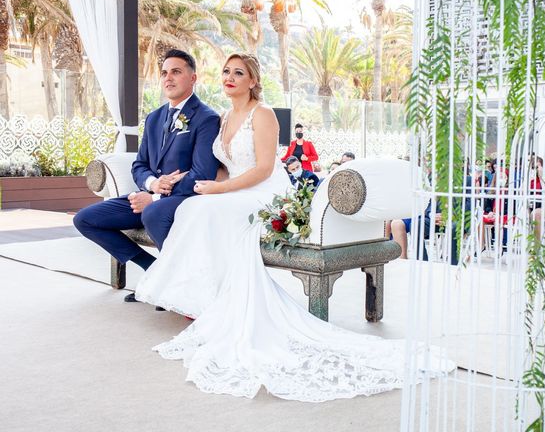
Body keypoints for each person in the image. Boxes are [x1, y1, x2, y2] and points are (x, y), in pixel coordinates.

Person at [134, 52, 453, 401]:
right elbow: (224, 166)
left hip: (263, 192)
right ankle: (205, 296)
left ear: (253, 81)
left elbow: (263, 168)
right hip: (232, 189)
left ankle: (209, 297)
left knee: (201, 211)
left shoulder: (264, 115)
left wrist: (219, 190)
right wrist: (209, 186)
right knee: (194, 208)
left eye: (238, 73)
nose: (229, 77)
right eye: (226, 71)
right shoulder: (225, 117)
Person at [73, 49, 220, 304]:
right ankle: (153, 269)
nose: (168, 78)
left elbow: (203, 173)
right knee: (85, 219)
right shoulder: (154, 118)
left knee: (153, 212)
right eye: (164, 73)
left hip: (183, 198)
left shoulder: (207, 118)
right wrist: (152, 184)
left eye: (176, 72)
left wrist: (156, 195)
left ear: (193, 78)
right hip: (150, 193)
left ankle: (174, 283)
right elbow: (139, 164)